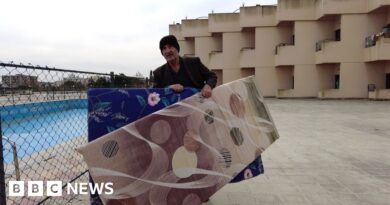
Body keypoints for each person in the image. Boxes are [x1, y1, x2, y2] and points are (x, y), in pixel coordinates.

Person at [153, 35, 217, 98]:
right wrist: (169, 88)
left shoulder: (194, 62)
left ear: (177, 49)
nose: (168, 51)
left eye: (170, 46)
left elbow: (212, 76)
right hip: (173, 108)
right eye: (164, 48)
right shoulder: (158, 73)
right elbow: (155, 93)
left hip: (197, 105)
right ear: (162, 53)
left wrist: (208, 86)